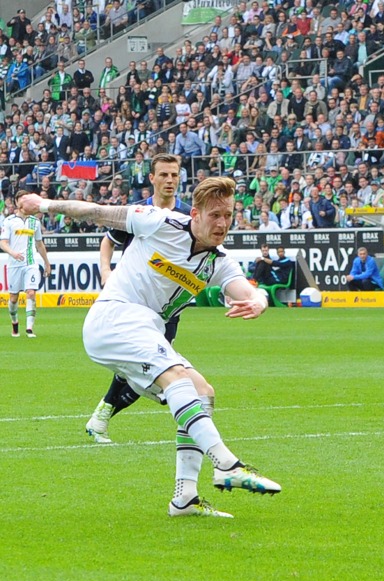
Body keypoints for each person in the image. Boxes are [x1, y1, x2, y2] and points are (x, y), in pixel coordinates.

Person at [18, 178, 282, 518]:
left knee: (203, 391)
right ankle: (227, 464)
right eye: (215, 215)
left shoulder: (218, 261)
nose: (222, 224)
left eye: (228, 215)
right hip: (115, 317)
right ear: (196, 214)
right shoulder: (160, 221)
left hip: (146, 329)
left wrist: (259, 302)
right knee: (178, 380)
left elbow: (248, 291)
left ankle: (184, 499)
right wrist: (43, 204)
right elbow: (96, 212)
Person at [85, 154, 190, 444]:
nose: (170, 180)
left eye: (174, 175)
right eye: (164, 175)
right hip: (131, 302)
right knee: (147, 365)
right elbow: (109, 240)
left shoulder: (188, 216)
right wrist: (105, 271)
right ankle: (103, 416)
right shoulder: (137, 213)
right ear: (152, 179)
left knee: (145, 366)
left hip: (166, 308)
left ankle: (102, 415)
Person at [0, 192, 51, 338]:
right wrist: (12, 253)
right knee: (14, 298)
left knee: (31, 293)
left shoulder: (35, 222)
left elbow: (39, 243)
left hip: (31, 262)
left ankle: (29, 328)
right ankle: (15, 323)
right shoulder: (9, 221)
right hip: (14, 264)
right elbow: (3, 242)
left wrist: (47, 263)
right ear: (18, 203)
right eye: (23, 200)